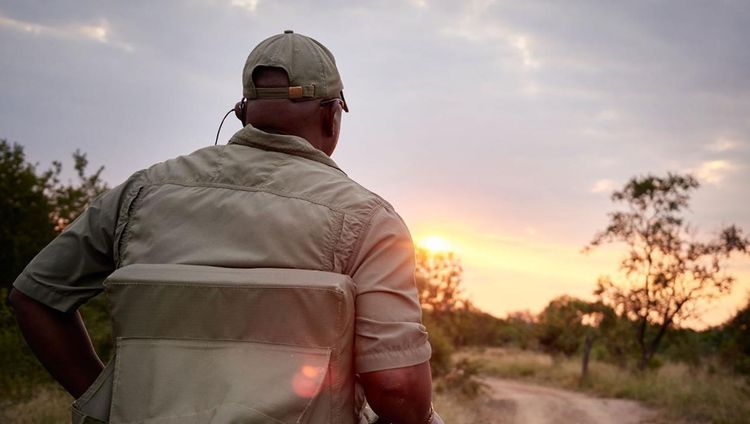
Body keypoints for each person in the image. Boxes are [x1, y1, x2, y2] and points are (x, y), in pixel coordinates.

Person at [9, 31, 440, 423]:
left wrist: (104, 403)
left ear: (241, 112)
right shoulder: (370, 220)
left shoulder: (140, 192)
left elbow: (34, 296)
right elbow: (398, 389)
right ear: (331, 117)